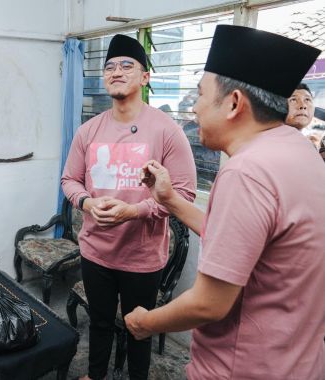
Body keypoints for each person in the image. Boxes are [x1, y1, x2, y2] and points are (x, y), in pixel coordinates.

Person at [125, 25, 324, 379]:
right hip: (298, 362)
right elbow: (247, 245)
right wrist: (170, 199)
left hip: (241, 367)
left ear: (234, 103)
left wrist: (145, 321)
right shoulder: (300, 152)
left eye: (201, 95)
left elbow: (209, 303)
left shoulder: (246, 172)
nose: (196, 108)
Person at [61, 34, 196, 379]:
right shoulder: (88, 131)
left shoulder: (167, 131)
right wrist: (88, 203)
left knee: (140, 328)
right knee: (101, 322)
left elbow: (184, 195)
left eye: (126, 65)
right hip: (96, 252)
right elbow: (69, 181)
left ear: (145, 77)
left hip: (142, 256)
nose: (116, 71)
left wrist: (133, 211)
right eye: (110, 66)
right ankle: (95, 374)